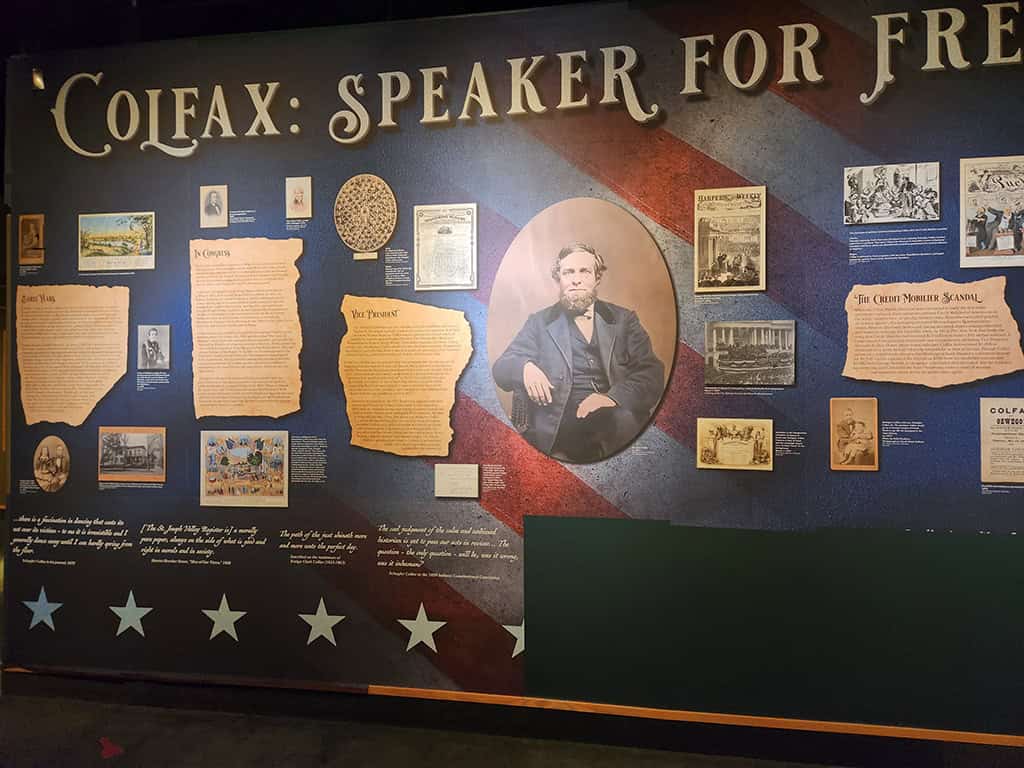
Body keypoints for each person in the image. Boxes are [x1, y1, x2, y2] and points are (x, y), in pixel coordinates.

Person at [492, 242, 665, 462]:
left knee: (622, 422)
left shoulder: (623, 320)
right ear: (558, 279)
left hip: (616, 418)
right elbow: (502, 367)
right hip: (561, 424)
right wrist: (525, 368)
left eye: (584, 271)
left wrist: (610, 398)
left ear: (597, 278)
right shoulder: (539, 322)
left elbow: (652, 374)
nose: (576, 279)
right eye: (568, 272)